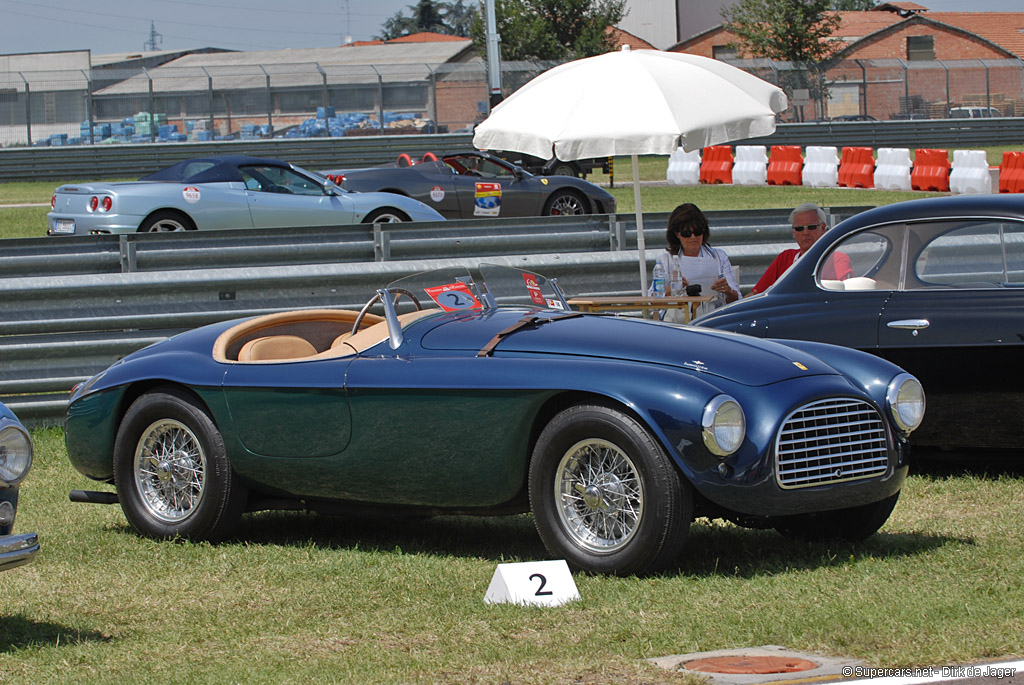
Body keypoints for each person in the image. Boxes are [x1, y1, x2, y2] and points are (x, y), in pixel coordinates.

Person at [650, 203, 741, 321]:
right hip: (676, 323)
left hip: (712, 320)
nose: (693, 237)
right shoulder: (665, 260)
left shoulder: (719, 256)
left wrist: (728, 291)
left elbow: (737, 300)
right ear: (677, 234)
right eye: (687, 233)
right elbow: (652, 303)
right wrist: (670, 290)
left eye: (698, 232)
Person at [750, 202, 852, 295]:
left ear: (823, 228)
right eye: (799, 229)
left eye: (811, 227)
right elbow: (756, 294)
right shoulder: (785, 258)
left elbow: (841, 298)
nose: (805, 233)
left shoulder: (837, 260)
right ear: (793, 233)